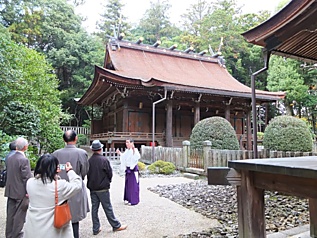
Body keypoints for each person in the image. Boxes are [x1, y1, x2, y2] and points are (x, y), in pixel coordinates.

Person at [23, 154, 82, 238]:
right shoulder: (60, 186)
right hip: (53, 230)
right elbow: (77, 185)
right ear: (55, 168)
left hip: (33, 227)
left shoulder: (30, 182)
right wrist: (70, 171)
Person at [52, 130, 90, 238]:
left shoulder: (56, 153)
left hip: (58, 187)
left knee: (59, 213)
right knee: (74, 217)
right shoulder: (82, 153)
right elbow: (84, 171)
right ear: (76, 138)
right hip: (75, 187)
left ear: (64, 140)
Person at [87, 140, 127, 235]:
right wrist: (108, 181)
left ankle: (96, 228)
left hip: (93, 187)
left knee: (94, 208)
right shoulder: (104, 160)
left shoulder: (89, 161)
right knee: (107, 207)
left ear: (92, 150)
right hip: (103, 187)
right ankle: (116, 225)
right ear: (101, 149)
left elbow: (87, 173)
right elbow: (110, 173)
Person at [5, 137, 32, 238]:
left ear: (16, 146)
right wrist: (28, 190)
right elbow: (26, 177)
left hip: (10, 189)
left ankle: (9, 234)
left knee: (10, 214)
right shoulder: (24, 160)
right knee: (19, 215)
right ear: (25, 147)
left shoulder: (9, 158)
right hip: (20, 191)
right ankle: (16, 235)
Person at [116, 138, 140, 206]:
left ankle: (133, 200)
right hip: (128, 169)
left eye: (128, 142)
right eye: (126, 142)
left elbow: (137, 157)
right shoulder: (127, 150)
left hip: (133, 170)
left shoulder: (135, 150)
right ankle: (127, 198)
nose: (127, 144)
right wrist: (119, 153)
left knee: (133, 185)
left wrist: (133, 151)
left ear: (132, 143)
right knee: (127, 185)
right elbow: (124, 157)